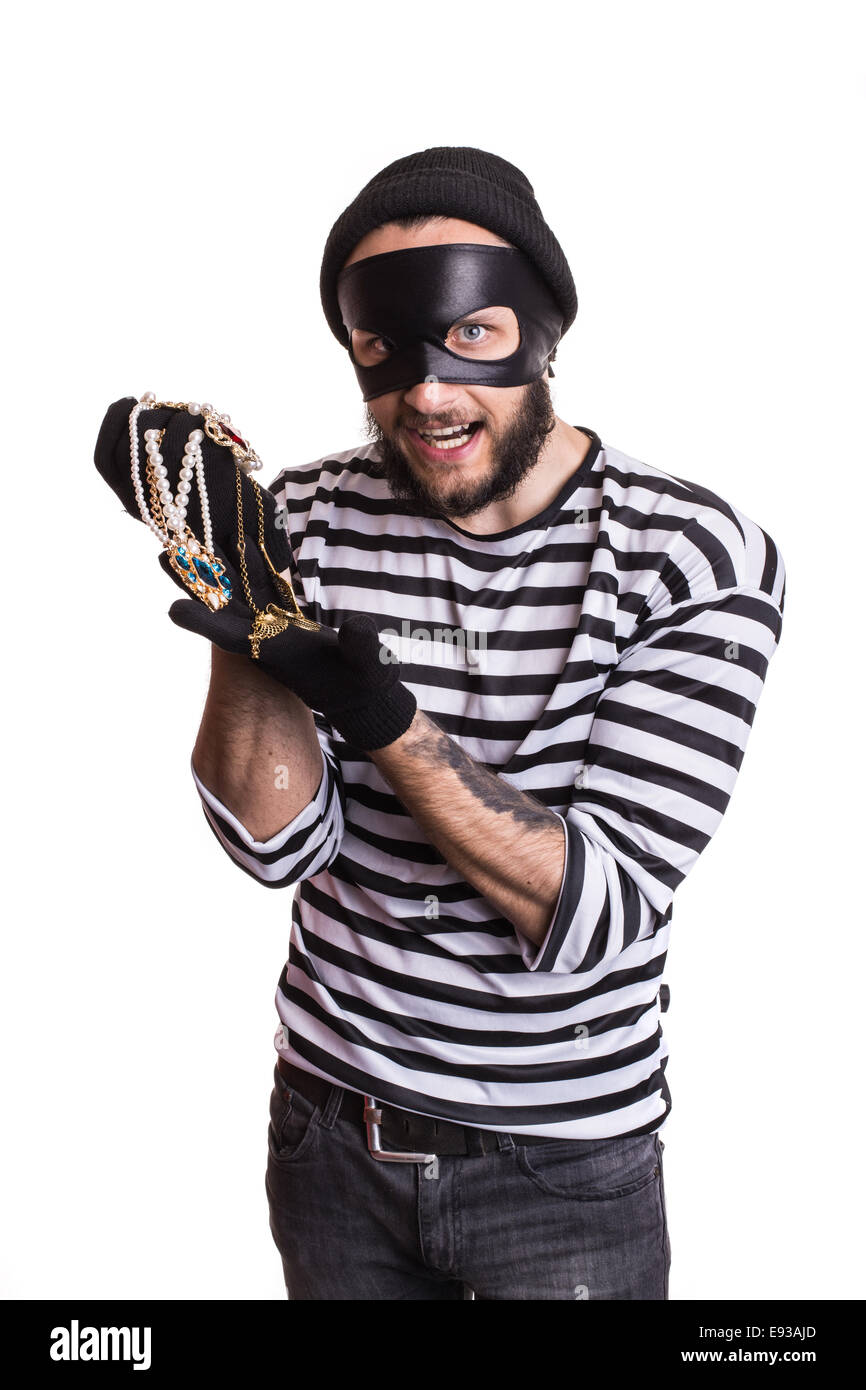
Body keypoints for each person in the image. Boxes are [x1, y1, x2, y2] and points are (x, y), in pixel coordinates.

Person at [94, 146, 785, 1301]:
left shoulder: (688, 555)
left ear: (542, 330)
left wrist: (380, 716)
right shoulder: (302, 518)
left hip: (559, 1166)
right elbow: (272, 847)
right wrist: (241, 612)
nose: (425, 392)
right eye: (384, 347)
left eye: (469, 336)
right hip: (329, 1132)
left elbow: (587, 913)